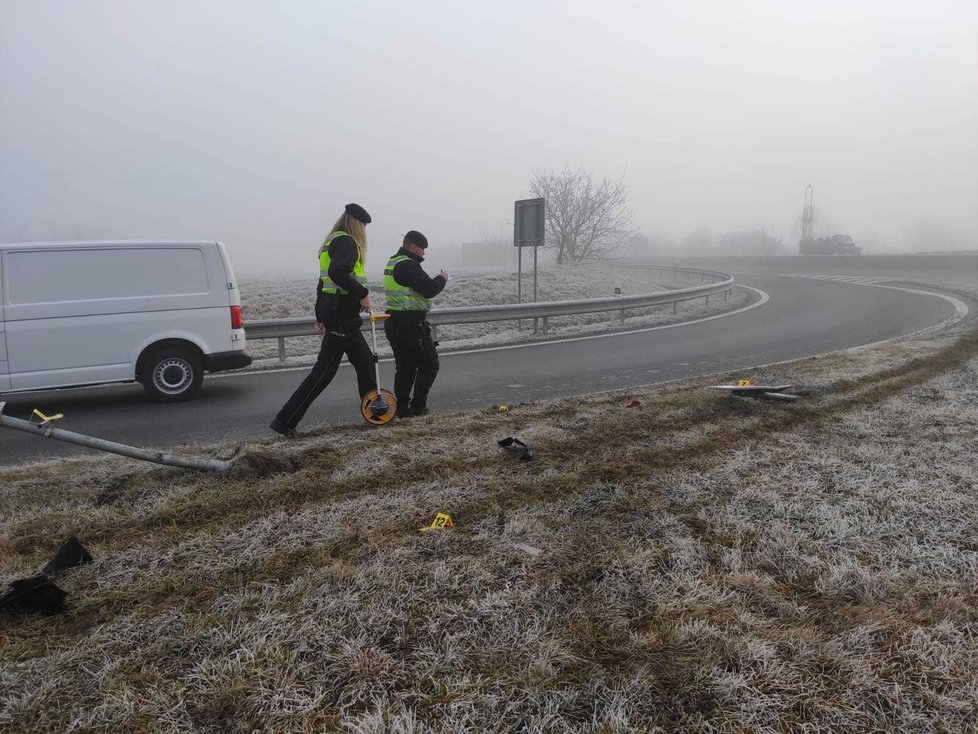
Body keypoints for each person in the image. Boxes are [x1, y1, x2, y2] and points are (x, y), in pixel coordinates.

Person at [270, 203, 376, 436]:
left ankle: (375, 414)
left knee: (366, 363)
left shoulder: (331, 241)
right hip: (341, 317)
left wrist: (321, 316)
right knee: (324, 372)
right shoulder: (347, 242)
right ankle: (285, 421)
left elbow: (322, 284)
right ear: (357, 225)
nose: (365, 233)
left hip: (340, 316)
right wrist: (363, 294)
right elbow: (338, 274)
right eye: (364, 227)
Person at [383, 230, 448, 417]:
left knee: (405, 367)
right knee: (430, 364)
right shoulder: (409, 266)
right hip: (412, 325)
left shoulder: (393, 262)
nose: (423, 253)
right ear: (412, 247)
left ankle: (402, 409)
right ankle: (418, 406)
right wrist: (441, 279)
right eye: (422, 249)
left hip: (394, 322)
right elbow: (429, 289)